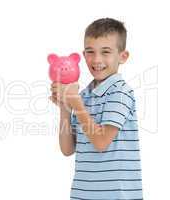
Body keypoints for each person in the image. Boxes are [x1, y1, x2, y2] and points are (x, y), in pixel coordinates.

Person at [50, 18, 143, 199]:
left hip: (118, 196)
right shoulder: (83, 95)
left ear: (122, 56)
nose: (97, 59)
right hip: (83, 194)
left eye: (105, 52)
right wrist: (64, 108)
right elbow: (67, 149)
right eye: (90, 52)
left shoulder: (121, 92)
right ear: (83, 55)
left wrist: (76, 104)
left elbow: (101, 142)